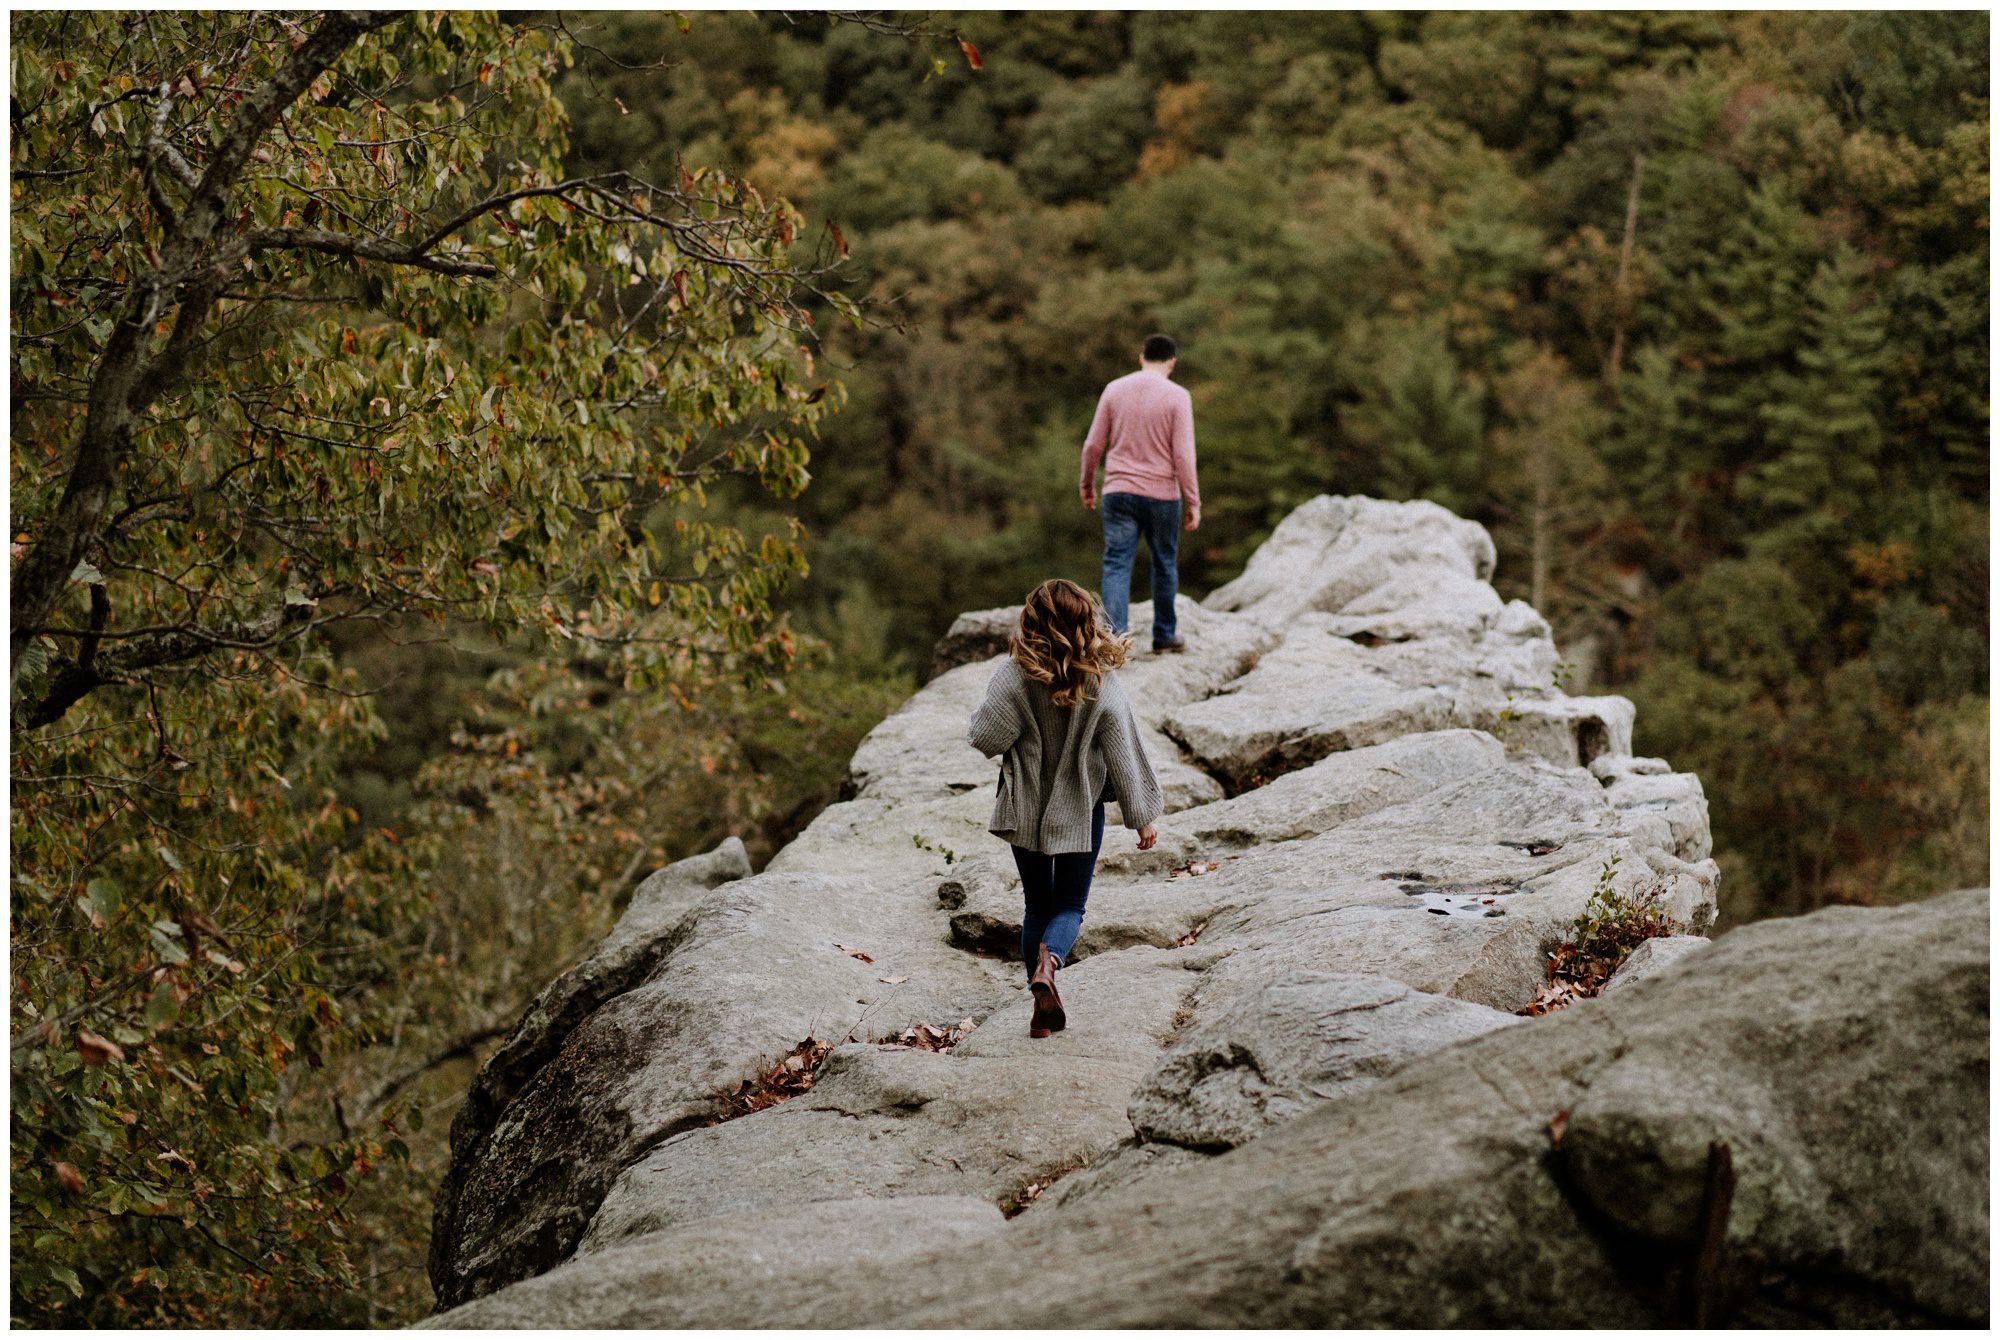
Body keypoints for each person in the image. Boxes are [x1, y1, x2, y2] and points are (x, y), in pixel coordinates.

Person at [966, 578, 1163, 1037]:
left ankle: (1040, 1015)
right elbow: (1122, 749)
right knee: (1070, 905)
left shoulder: (1014, 674)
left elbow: (985, 738)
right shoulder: (1100, 679)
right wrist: (1141, 817)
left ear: (1031, 621)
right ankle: (1049, 966)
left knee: (1037, 904)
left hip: (1024, 806)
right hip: (1080, 807)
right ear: (1086, 621)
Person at [1079, 333, 1201, 654]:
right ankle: (1164, 636)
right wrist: (1193, 502)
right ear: (1172, 362)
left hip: (1119, 491)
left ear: (1140, 357)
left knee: (1117, 563)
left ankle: (1114, 641)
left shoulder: (1114, 389)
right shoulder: (1178, 396)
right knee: (1164, 563)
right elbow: (1184, 457)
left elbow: (1093, 445)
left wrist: (1087, 484)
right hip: (1162, 495)